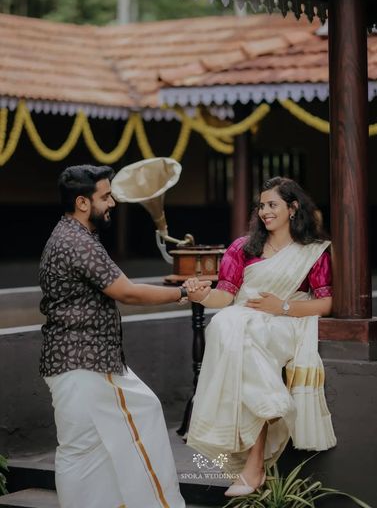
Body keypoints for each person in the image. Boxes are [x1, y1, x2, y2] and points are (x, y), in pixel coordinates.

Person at [39, 164, 211, 508]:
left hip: (67, 362)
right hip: (89, 362)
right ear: (82, 203)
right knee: (142, 416)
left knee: (81, 450)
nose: (113, 202)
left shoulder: (66, 235)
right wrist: (183, 295)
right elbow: (127, 292)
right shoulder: (77, 242)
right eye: (105, 196)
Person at [184, 176, 336, 497]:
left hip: (286, 322)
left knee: (241, 327)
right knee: (227, 322)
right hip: (245, 322)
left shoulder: (313, 251)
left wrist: (279, 305)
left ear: (293, 208)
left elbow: (326, 302)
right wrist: (201, 296)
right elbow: (225, 297)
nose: (265, 211)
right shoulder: (243, 248)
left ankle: (253, 467)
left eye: (273, 205)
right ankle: (270, 412)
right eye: (262, 205)